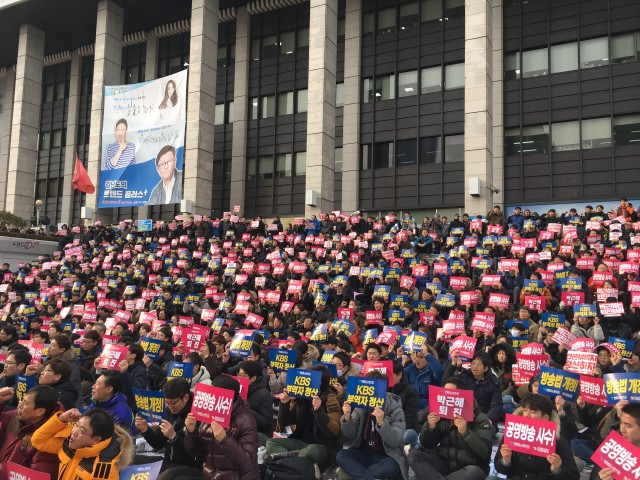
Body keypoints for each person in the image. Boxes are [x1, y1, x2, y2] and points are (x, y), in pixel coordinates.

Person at [408, 376, 492, 480]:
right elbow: (428, 445)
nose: (447, 396)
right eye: (445, 393)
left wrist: (466, 433)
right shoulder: (441, 413)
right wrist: (430, 427)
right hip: (444, 462)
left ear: (462, 395)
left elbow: (485, 453)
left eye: (450, 393)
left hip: (468, 466)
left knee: (473, 472)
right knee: (413, 455)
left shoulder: (479, 418)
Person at [266, 365, 341, 475]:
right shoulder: (299, 395)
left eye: (312, 378)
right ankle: (300, 465)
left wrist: (319, 410)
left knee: (311, 450)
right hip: (300, 442)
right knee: (271, 443)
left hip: (321, 446)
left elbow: (333, 431)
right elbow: (283, 427)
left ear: (321, 383)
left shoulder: (331, 398)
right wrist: (285, 404)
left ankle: (287, 464)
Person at [183, 375, 260, 480]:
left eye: (215, 393)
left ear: (228, 397)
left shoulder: (246, 420)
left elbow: (247, 462)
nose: (211, 396)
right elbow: (194, 452)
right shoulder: (208, 414)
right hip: (211, 475)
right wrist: (191, 432)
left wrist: (225, 439)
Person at [337, 370, 409, 480]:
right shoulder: (361, 406)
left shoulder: (394, 408)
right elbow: (350, 435)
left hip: (387, 456)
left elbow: (395, 441)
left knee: (390, 467)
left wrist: (381, 423)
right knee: (341, 455)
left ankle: (356, 473)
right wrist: (347, 418)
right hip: (364, 453)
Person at [31, 407, 134, 480]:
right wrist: (62, 418)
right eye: (77, 425)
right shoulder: (70, 441)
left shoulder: (104, 469)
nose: (74, 432)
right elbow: (38, 441)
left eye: (82, 430)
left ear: (96, 439)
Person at [494, 394, 579, 480]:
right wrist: (505, 461)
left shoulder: (558, 440)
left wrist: (557, 470)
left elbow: (574, 476)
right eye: (525, 410)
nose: (527, 415)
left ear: (545, 418)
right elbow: (499, 468)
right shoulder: (513, 433)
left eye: (533, 412)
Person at [134, 378, 203, 480]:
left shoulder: (198, 416)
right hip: (168, 461)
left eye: (173, 403)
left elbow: (195, 456)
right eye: (167, 403)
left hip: (191, 465)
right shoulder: (168, 411)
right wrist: (145, 429)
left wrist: (173, 437)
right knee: (131, 460)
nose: (170, 407)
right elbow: (158, 444)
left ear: (185, 397)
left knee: (165, 477)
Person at [0, 385, 62, 480]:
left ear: (39, 411)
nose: (19, 405)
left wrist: (3, 471)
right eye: (22, 400)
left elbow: (38, 476)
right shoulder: (16, 417)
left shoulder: (47, 442)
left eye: (25, 403)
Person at [591, 403, 640, 480]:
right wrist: (600, 478)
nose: (622, 429)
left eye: (628, 425)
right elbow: (594, 476)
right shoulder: (612, 446)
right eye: (621, 423)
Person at [238, 359, 274, 439]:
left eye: (243, 376)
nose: (240, 378)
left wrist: (245, 408)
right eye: (239, 375)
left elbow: (265, 423)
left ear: (253, 378)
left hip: (259, 434)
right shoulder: (238, 390)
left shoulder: (264, 394)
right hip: (242, 429)